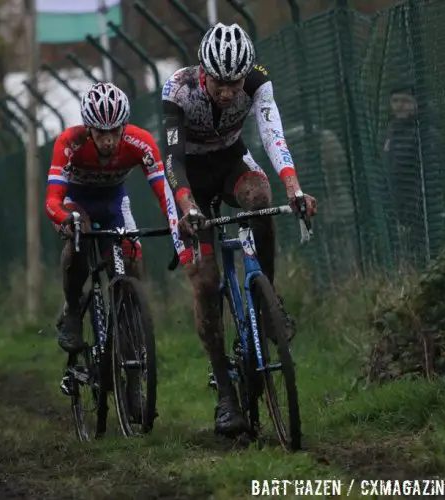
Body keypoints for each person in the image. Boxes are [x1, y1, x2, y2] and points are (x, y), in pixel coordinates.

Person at [161, 23, 318, 436]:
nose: (228, 92)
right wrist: (188, 206)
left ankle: (266, 298)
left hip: (231, 161)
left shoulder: (257, 82)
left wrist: (295, 187)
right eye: (219, 82)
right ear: (202, 72)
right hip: (187, 178)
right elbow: (172, 160)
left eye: (234, 82)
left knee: (261, 198)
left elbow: (272, 133)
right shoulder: (178, 89)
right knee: (206, 282)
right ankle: (226, 395)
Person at [45, 82, 181, 354]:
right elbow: (52, 200)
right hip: (76, 201)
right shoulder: (70, 142)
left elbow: (163, 191)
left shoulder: (140, 141)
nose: (108, 140)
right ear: (88, 128)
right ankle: (73, 309)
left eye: (115, 131)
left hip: (113, 202)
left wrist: (175, 223)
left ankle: (129, 323)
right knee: (79, 237)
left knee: (131, 260)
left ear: (125, 126)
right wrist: (64, 219)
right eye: (100, 132)